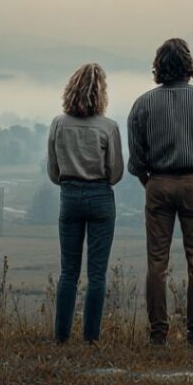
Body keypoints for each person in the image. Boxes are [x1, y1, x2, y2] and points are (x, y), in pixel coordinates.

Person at [127, 38, 193, 345]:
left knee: (156, 263)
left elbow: (137, 160)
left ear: (158, 67)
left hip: (158, 183)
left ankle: (158, 334)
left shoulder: (143, 104)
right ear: (188, 66)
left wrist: (154, 185)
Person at [47, 63, 124, 343]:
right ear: (101, 92)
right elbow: (115, 172)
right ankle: (91, 338)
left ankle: (61, 336)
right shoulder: (108, 127)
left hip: (69, 195)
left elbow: (53, 171)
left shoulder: (59, 124)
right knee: (97, 273)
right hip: (101, 197)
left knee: (68, 271)